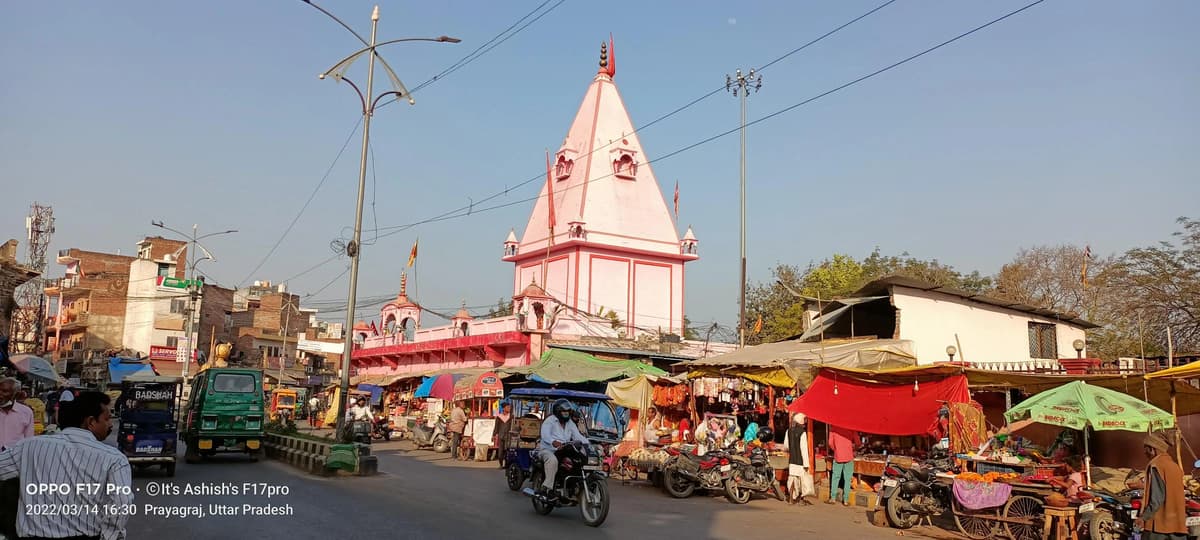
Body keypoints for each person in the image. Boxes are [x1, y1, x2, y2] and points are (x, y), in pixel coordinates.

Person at [0, 391, 133, 540]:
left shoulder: (28, 447)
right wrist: (110, 536)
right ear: (91, 422)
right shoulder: (114, 459)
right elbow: (121, 501)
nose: (110, 424)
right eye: (107, 419)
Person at [1136, 432, 1188, 540]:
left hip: (1158, 526)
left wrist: (1143, 517)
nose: (1144, 452)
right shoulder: (1174, 466)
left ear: (1152, 449)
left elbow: (1157, 498)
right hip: (1177, 524)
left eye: (1145, 448)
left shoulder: (1156, 466)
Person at [535, 399, 589, 500]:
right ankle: (547, 488)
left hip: (564, 450)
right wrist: (553, 442)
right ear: (558, 412)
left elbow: (577, 436)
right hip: (548, 450)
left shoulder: (570, 423)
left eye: (568, 412)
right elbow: (545, 435)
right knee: (553, 461)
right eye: (564, 412)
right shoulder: (550, 421)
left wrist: (588, 444)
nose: (566, 414)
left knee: (577, 461)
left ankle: (573, 486)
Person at [785, 413, 815, 505]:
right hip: (800, 461)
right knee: (802, 481)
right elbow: (804, 449)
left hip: (792, 460)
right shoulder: (802, 433)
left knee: (792, 479)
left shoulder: (788, 431)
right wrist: (806, 464)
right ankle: (801, 499)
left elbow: (786, 446)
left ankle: (791, 499)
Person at [827, 424, 859, 506]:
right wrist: (853, 449)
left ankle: (833, 498)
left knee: (835, 477)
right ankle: (845, 500)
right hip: (849, 455)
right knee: (848, 479)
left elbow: (830, 443)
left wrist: (836, 449)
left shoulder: (833, 428)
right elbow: (858, 442)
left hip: (838, 456)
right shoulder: (851, 427)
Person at [0, 378, 34, 449]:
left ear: (16, 394)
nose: (0, 394)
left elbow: (29, 439)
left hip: (16, 457)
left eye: (5, 391)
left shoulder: (26, 412)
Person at [495, 402, 513, 468]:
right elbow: (496, 426)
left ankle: (506, 464)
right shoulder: (499, 417)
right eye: (507, 407)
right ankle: (500, 464)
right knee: (500, 452)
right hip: (501, 436)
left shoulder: (511, 417)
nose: (509, 408)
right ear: (504, 408)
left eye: (509, 407)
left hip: (508, 436)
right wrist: (494, 435)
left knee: (507, 451)